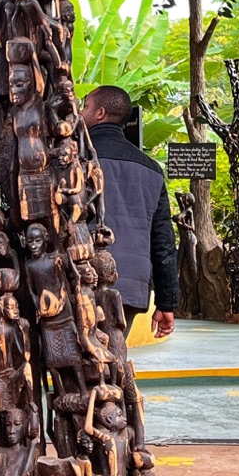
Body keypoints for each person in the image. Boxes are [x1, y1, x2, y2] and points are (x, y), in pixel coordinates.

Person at [80, 84, 176, 338]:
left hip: (83, 277)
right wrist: (166, 302)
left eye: (85, 107)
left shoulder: (76, 159)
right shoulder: (151, 169)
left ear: (100, 113)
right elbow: (163, 241)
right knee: (114, 352)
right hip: (131, 284)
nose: (80, 113)